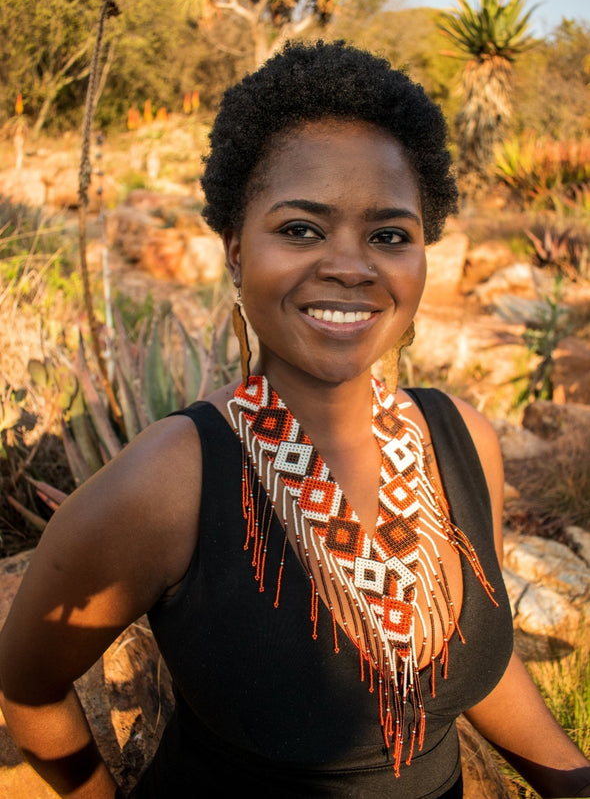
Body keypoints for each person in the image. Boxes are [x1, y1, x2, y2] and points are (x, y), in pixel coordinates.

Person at [0, 40, 589, 799]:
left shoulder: (462, 440)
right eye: (303, 228)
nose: (351, 264)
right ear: (236, 250)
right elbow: (27, 686)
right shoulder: (172, 481)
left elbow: (467, 651)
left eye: (389, 234)